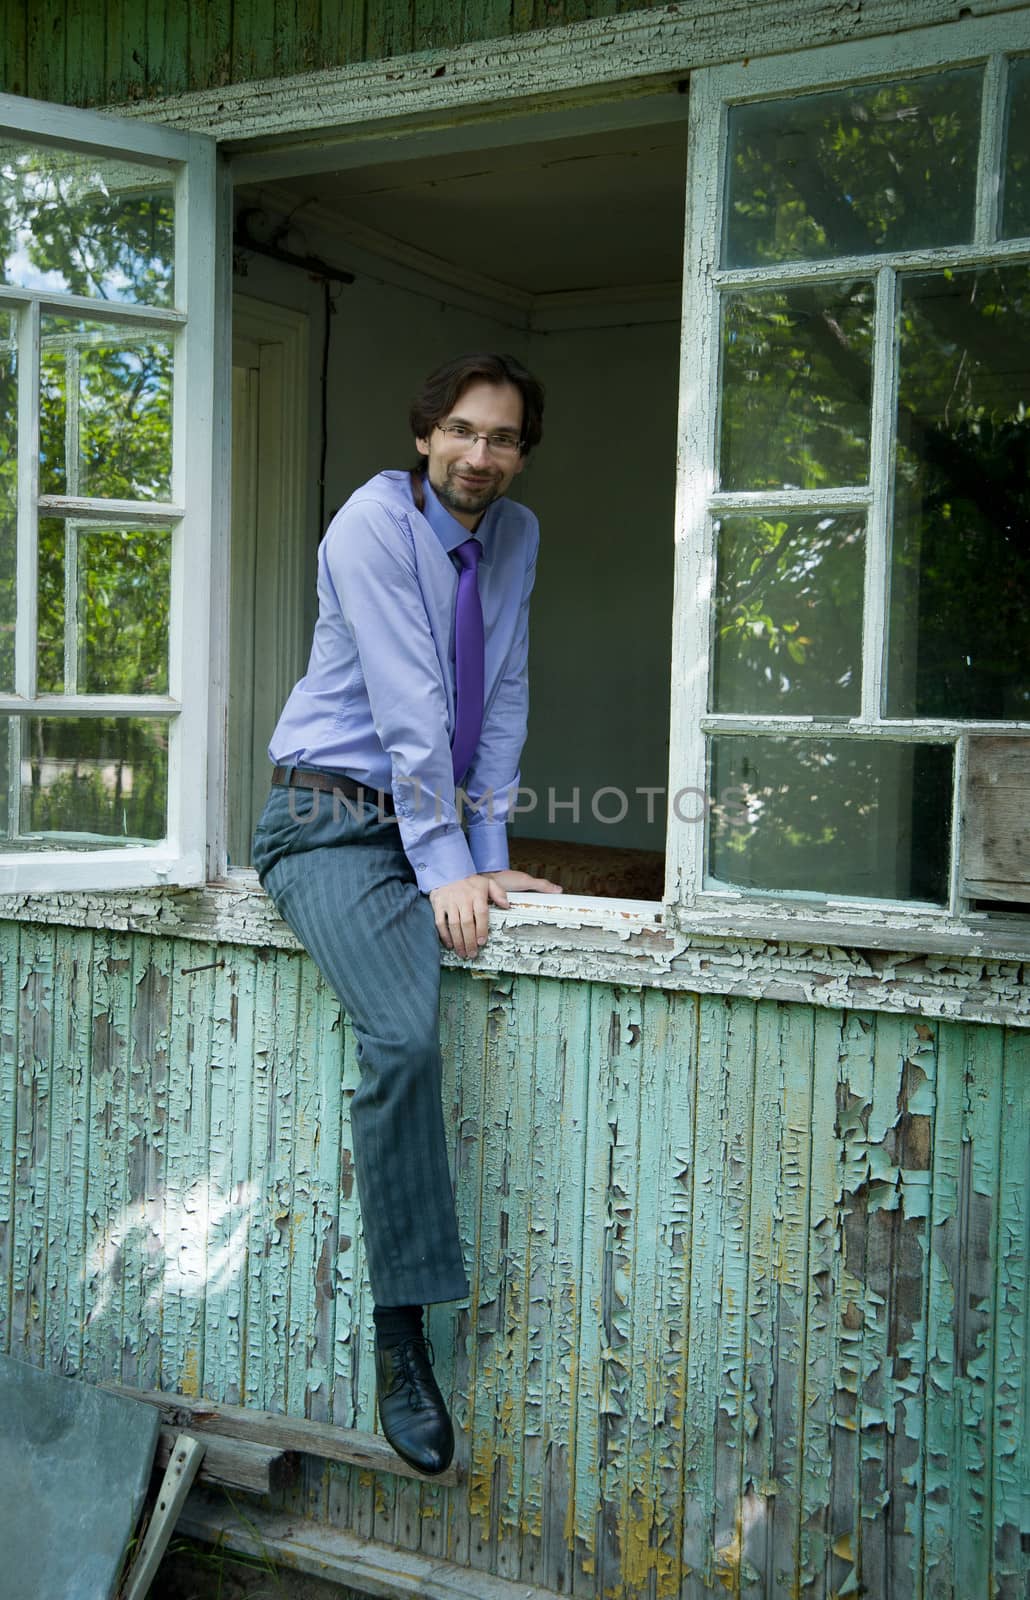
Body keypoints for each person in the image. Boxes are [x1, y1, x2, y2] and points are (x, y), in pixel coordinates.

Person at [251, 353, 561, 1475]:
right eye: (465, 433)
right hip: (325, 819)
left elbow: (504, 694)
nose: (483, 456)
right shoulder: (371, 523)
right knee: (404, 1036)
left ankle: (405, 1326)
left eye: (506, 438)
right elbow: (410, 703)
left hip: (418, 829)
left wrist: (488, 856)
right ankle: (402, 1334)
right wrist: (442, 863)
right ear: (426, 435)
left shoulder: (514, 539)